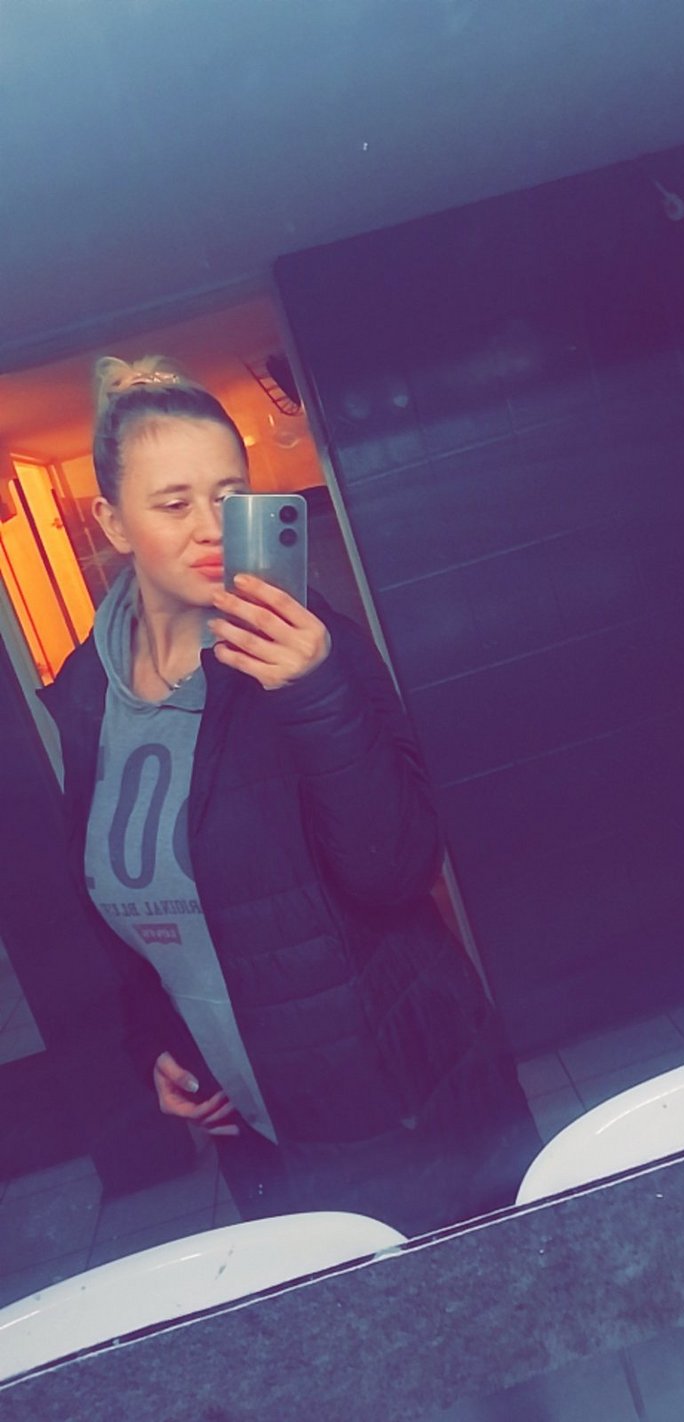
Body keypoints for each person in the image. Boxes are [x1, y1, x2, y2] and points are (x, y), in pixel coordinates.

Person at [39, 355, 540, 1236]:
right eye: (173, 504)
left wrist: (313, 693)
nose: (210, 527)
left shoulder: (311, 643)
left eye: (228, 495)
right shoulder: (86, 698)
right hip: (263, 1137)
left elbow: (398, 868)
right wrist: (159, 1043)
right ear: (112, 523)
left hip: (407, 1103)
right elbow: (138, 907)